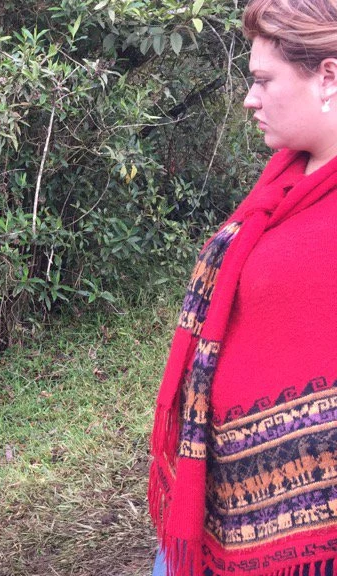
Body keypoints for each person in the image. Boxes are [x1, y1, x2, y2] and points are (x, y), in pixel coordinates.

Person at [148, 1, 337, 574]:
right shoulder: (284, 178)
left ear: (328, 78)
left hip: (304, 528)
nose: (250, 99)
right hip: (219, 502)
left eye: (262, 81)